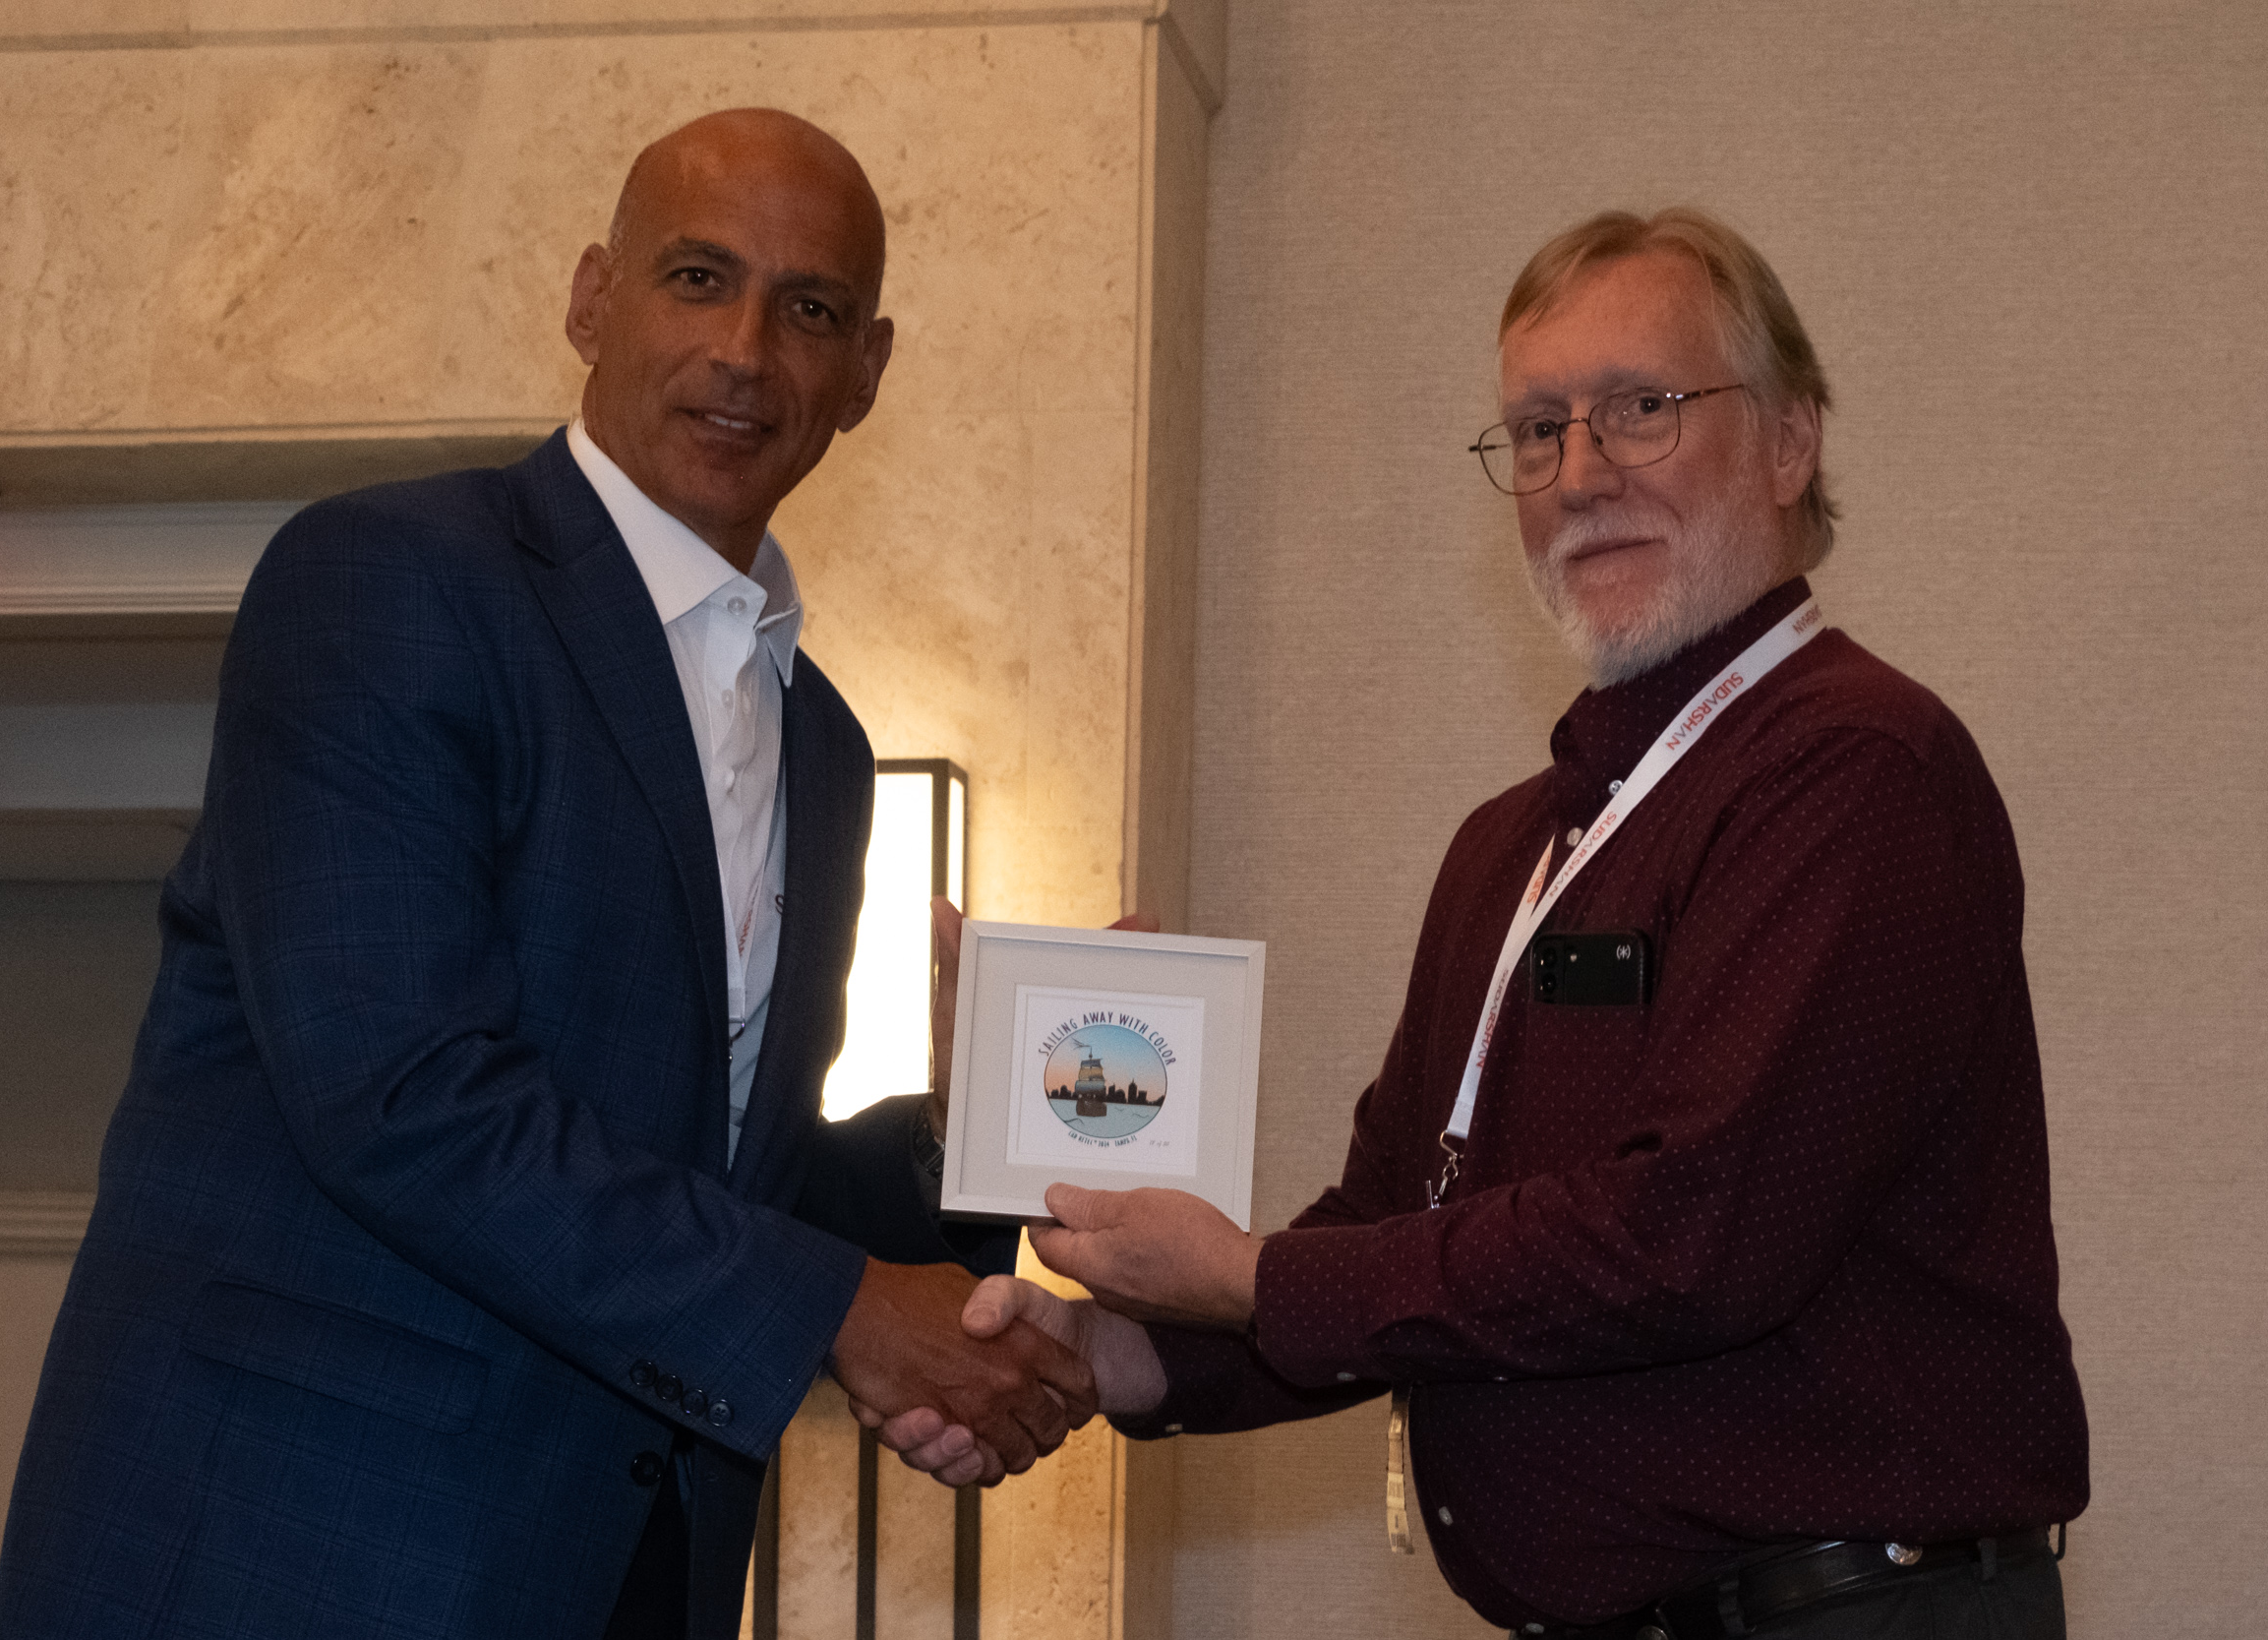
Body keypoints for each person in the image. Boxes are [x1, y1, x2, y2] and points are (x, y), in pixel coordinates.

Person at [886, 209, 2089, 1639]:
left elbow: (1688, 1238)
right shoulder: (1515, 846)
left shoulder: (1855, 772)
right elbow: (1395, 1230)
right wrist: (1113, 1356)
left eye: (1641, 408)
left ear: (1789, 442)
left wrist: (1254, 1278)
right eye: (1536, 430)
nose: (1581, 473)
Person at [0, 107, 1095, 1640]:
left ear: (867, 372)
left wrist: (957, 1139)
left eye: (810, 310)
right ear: (590, 298)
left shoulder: (825, 747)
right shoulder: (391, 582)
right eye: (698, 279)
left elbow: (731, 1181)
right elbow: (405, 1092)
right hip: (292, 1559)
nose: (746, 352)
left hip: (624, 1578)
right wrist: (843, 1312)